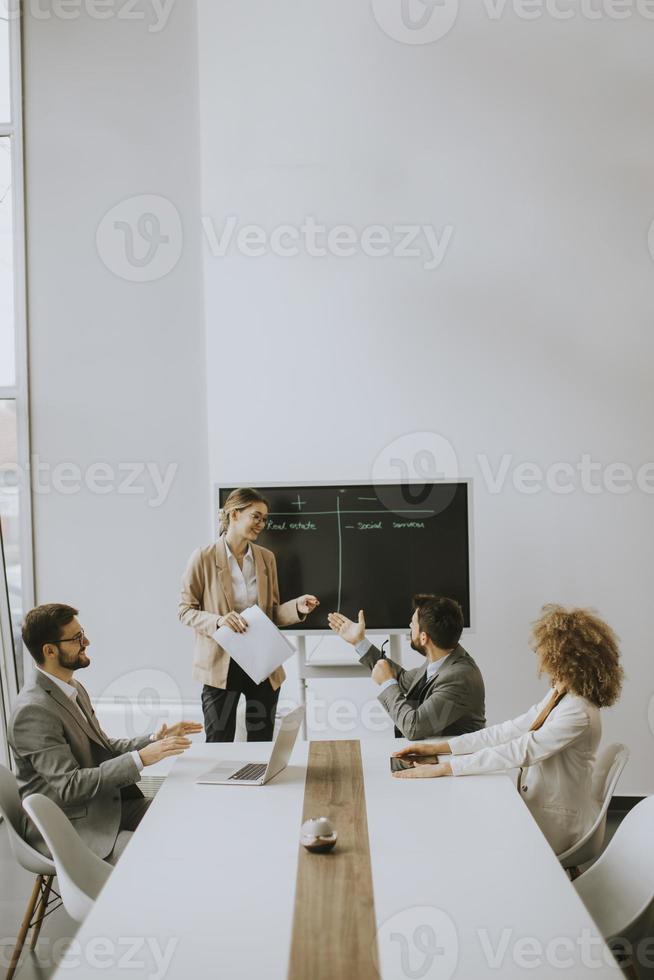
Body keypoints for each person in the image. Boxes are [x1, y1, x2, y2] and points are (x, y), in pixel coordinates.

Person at [392, 604, 624, 856]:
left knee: (471, 834)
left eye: (545, 653)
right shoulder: (561, 693)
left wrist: (445, 767)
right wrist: (439, 748)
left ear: (564, 658)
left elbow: (522, 750)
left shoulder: (577, 711)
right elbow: (510, 730)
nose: (541, 659)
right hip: (539, 803)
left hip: (559, 822)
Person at [9, 604, 201, 864]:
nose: (86, 642)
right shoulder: (33, 710)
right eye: (76, 638)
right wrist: (140, 759)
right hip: (68, 825)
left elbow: (103, 746)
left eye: (82, 633)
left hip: (101, 807)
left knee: (187, 816)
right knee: (160, 852)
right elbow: (70, 786)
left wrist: (155, 740)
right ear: (50, 650)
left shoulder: (70, 687)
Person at [179, 487, 319, 742]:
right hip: (220, 664)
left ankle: (258, 781)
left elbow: (271, 614)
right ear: (234, 514)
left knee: (262, 741)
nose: (261, 524)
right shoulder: (203, 557)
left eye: (265, 519)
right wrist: (219, 621)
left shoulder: (266, 558)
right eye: (256, 516)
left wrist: (297, 608)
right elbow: (185, 611)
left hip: (261, 661)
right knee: (219, 741)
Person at [328, 595, 485, 739]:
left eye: (413, 624)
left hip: (453, 764)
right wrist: (359, 642)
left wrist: (387, 684)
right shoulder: (442, 661)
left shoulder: (459, 678)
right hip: (432, 758)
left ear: (424, 638)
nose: (410, 625)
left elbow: (413, 728)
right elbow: (403, 679)